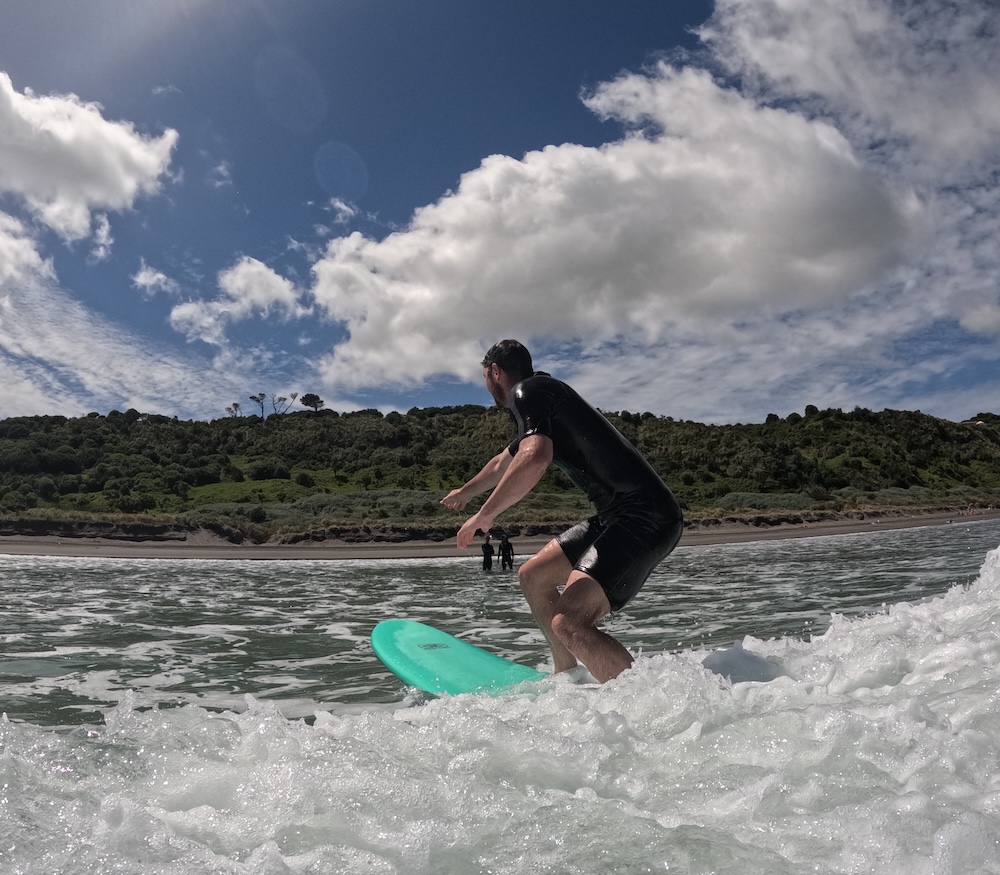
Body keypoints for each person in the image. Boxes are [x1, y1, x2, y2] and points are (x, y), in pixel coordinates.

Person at [441, 339, 683, 682]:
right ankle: (567, 675)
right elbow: (502, 462)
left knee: (568, 621)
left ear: (495, 372)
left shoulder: (528, 391)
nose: (487, 387)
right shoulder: (543, 397)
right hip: (618, 515)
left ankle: (648, 702)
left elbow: (535, 457)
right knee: (533, 576)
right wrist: (464, 493)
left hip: (645, 515)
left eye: (485, 378)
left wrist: (486, 514)